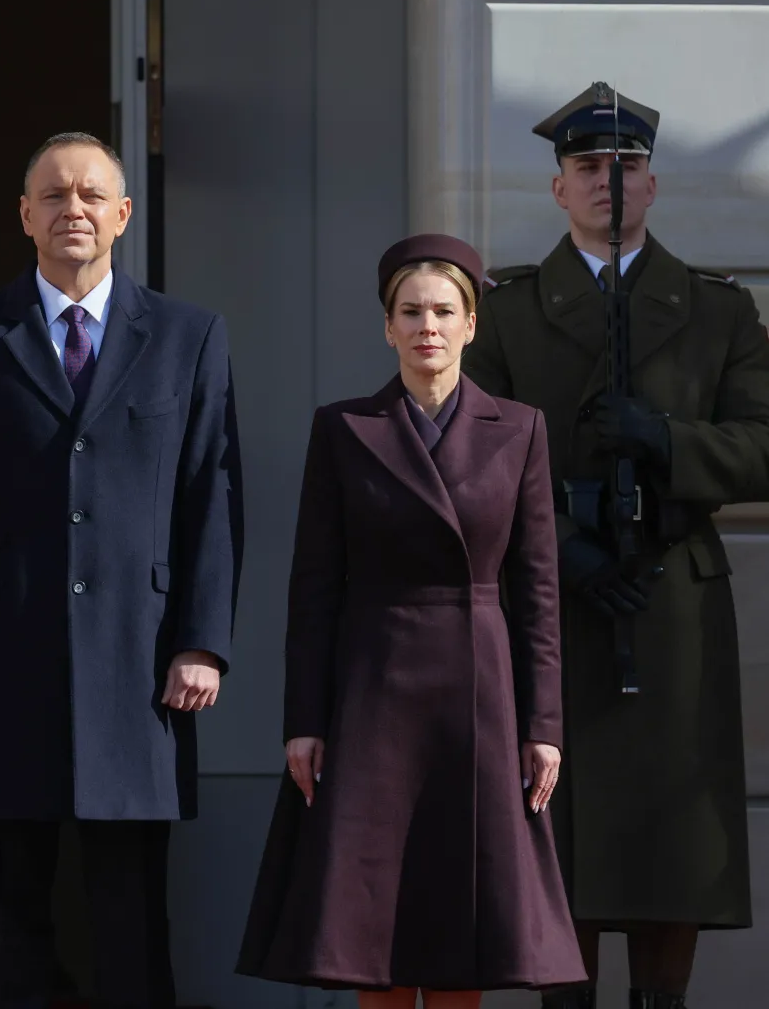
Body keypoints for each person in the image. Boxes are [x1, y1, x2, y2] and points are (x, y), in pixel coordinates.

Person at [0, 132, 240, 1009]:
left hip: (142, 663)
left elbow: (211, 498)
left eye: (92, 195)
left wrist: (202, 641)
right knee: (11, 909)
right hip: (5, 664)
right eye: (54, 196)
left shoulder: (188, 337)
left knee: (130, 918)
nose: (74, 210)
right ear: (25, 216)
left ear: (123, 215)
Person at [463, 84, 769, 1009]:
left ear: (652, 184)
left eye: (627, 165)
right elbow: (469, 452)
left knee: (675, 843)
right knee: (563, 832)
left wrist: (669, 441)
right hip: (556, 598)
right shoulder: (506, 310)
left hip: (673, 598)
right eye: (589, 166)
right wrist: (560, 546)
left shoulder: (717, 310)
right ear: (560, 188)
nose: (610, 181)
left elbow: (763, 445)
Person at [237, 234, 586, 1007]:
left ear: (471, 324)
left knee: (466, 923)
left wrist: (544, 725)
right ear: (387, 327)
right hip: (372, 694)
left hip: (479, 696)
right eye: (411, 312)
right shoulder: (344, 428)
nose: (428, 326)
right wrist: (305, 721)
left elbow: (537, 593)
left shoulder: (521, 428)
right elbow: (314, 590)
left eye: (444, 311)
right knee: (373, 927)